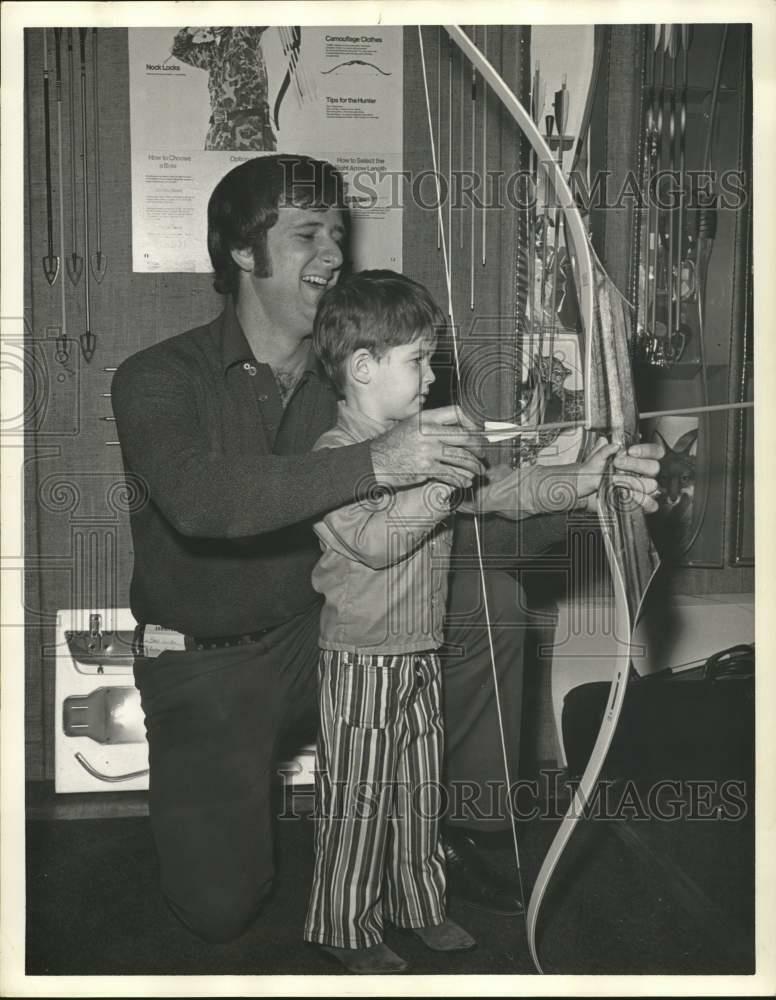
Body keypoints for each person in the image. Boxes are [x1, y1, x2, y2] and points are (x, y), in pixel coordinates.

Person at [112, 154, 662, 947]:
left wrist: (592, 483)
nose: (334, 253)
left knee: (487, 597)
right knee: (218, 908)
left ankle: (469, 833)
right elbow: (201, 502)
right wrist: (384, 462)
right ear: (241, 251)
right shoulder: (157, 376)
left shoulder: (362, 386)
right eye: (307, 234)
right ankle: (338, 895)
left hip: (331, 634)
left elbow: (485, 506)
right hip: (209, 666)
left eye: (338, 232)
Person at [302, 270, 627, 973]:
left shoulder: (424, 443)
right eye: (416, 361)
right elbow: (378, 540)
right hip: (360, 658)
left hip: (421, 649)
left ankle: (418, 906)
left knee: (420, 789)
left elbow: (508, 492)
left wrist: (584, 478)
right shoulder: (333, 459)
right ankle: (344, 924)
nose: (430, 375)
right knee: (359, 797)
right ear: (362, 369)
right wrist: (443, 484)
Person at [172, 27, 277, 151]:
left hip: (249, 134)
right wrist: (192, 29)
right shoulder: (211, 51)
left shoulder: (242, 34)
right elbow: (178, 50)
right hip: (217, 135)